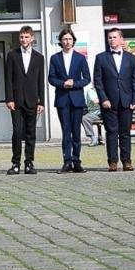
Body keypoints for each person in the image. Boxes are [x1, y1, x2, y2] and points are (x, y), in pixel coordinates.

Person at [94, 27, 135, 171]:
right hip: (109, 102)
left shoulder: (131, 58)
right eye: (110, 37)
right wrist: (103, 99)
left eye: (114, 37)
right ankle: (113, 161)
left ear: (121, 39)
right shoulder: (101, 57)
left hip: (126, 101)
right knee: (112, 132)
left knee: (125, 132)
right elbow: (98, 80)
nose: (112, 40)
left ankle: (127, 161)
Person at [3, 25, 45, 175]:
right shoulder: (12, 55)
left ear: (32, 38)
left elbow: (41, 81)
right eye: (21, 37)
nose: (24, 39)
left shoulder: (39, 58)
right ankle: (15, 163)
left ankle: (29, 162)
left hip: (33, 100)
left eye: (27, 37)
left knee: (30, 132)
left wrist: (42, 102)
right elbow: (8, 79)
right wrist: (9, 98)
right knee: (17, 131)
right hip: (17, 101)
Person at [48, 28, 90, 173]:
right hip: (62, 99)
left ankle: (77, 160)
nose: (67, 42)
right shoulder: (55, 58)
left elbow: (87, 79)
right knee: (66, 131)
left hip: (77, 99)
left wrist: (74, 83)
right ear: (60, 41)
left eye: (70, 39)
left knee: (76, 131)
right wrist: (62, 83)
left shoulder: (80, 58)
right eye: (64, 39)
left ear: (73, 41)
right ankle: (67, 161)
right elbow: (51, 78)